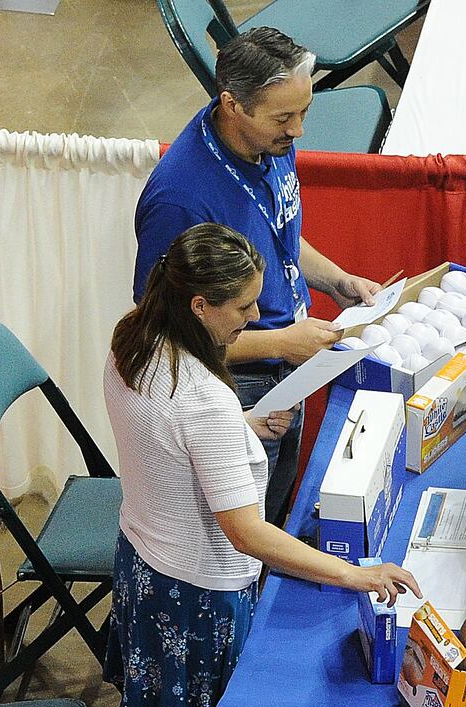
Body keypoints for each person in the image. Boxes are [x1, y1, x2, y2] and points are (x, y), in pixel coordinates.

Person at [104, 222, 416, 707]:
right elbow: (247, 532)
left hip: (145, 567)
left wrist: (241, 426)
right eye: (243, 308)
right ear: (201, 303)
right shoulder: (200, 399)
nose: (255, 321)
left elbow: (161, 436)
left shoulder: (133, 338)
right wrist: (352, 573)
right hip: (198, 594)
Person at [134, 28, 383, 526]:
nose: (298, 132)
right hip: (234, 383)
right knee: (241, 534)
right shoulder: (179, 199)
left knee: (277, 507)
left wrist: (336, 281)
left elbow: (276, 233)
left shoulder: (267, 140)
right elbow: (158, 335)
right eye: (285, 118)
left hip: (286, 361)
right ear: (233, 104)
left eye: (304, 113)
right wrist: (279, 343)